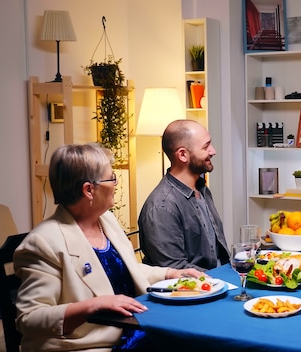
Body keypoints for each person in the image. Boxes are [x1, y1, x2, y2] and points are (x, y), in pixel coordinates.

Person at [14, 143, 207, 352]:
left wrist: (170, 274)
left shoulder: (105, 219)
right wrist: (92, 305)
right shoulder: (44, 242)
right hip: (94, 345)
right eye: (111, 178)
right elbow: (29, 318)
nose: (116, 183)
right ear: (88, 190)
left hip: (134, 330)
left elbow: (123, 269)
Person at [139, 119, 229, 271]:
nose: (213, 151)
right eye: (206, 147)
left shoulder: (202, 189)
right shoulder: (162, 207)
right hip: (194, 290)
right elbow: (175, 270)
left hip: (219, 282)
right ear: (182, 155)